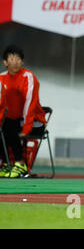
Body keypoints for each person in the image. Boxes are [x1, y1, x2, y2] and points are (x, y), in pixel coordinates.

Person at [0, 45, 47, 178]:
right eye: (11, 59)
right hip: (12, 121)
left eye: (18, 59)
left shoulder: (29, 77)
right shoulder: (1, 78)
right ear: (5, 62)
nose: (15, 62)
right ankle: (6, 164)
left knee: (11, 128)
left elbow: (29, 104)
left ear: (22, 62)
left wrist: (26, 129)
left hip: (34, 122)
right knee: (3, 128)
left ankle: (20, 164)